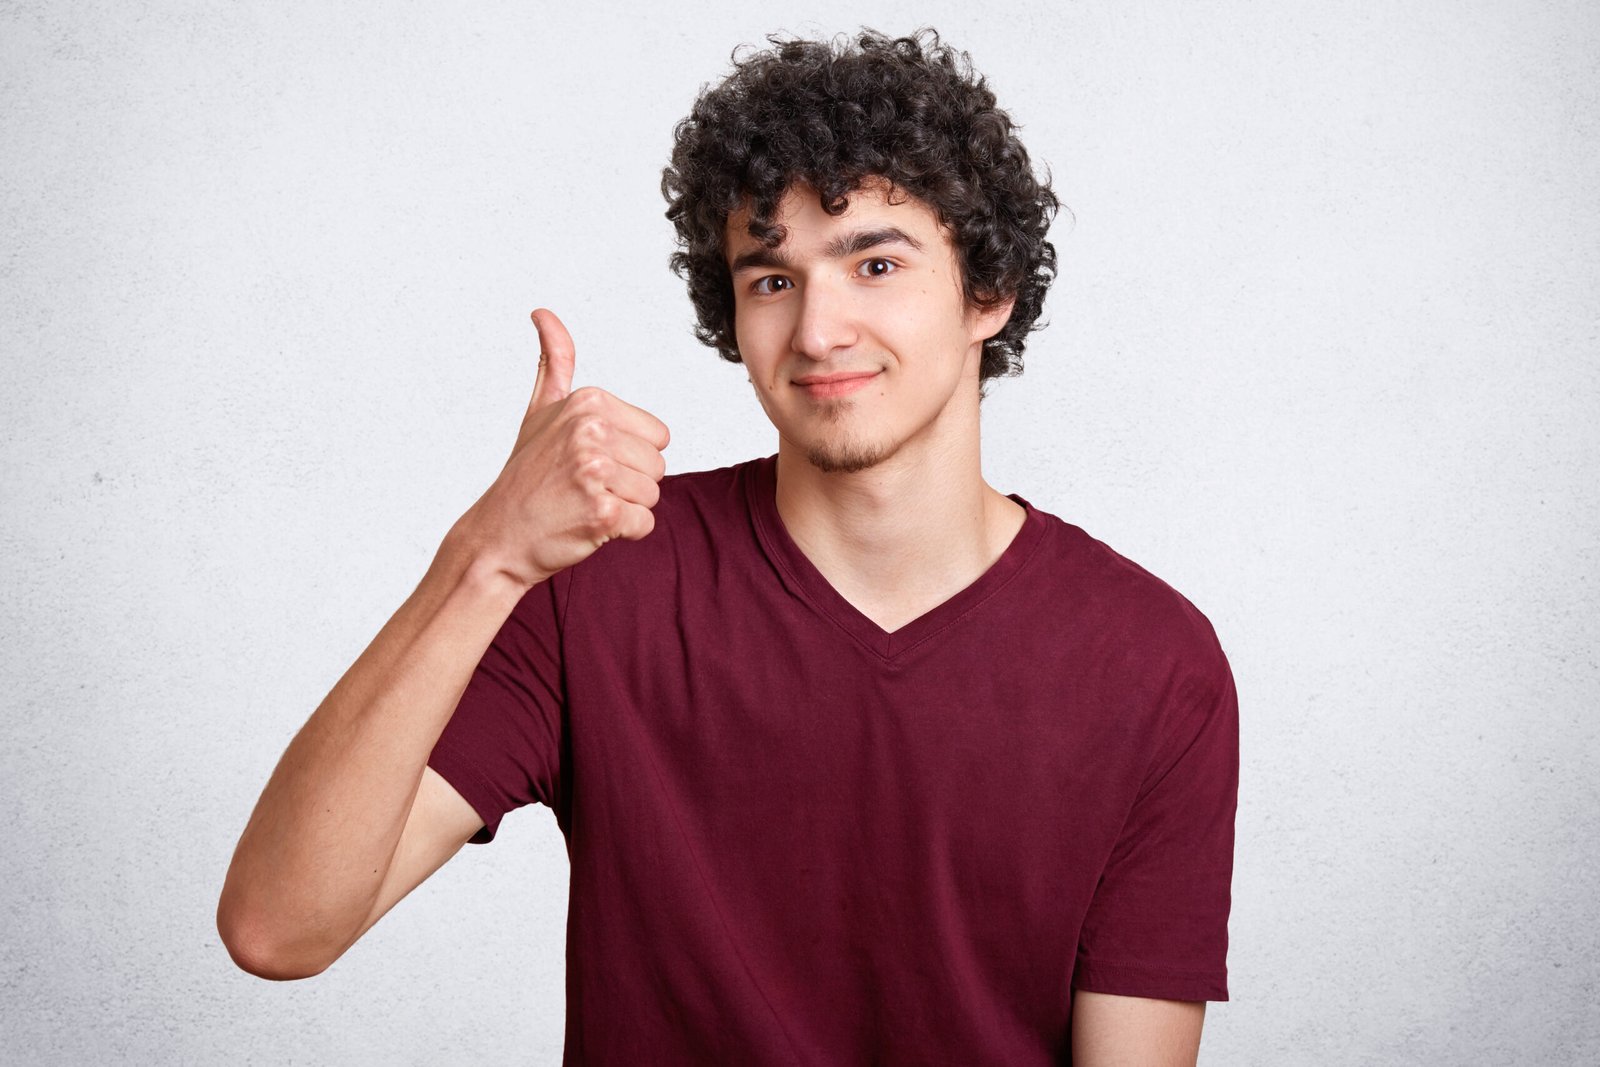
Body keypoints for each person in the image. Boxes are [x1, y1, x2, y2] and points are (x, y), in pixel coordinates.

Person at [218, 28, 1238, 1066]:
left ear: (988, 292)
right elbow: (277, 926)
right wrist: (487, 553)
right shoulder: (597, 588)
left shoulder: (1152, 663)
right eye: (770, 278)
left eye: (875, 263)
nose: (818, 330)